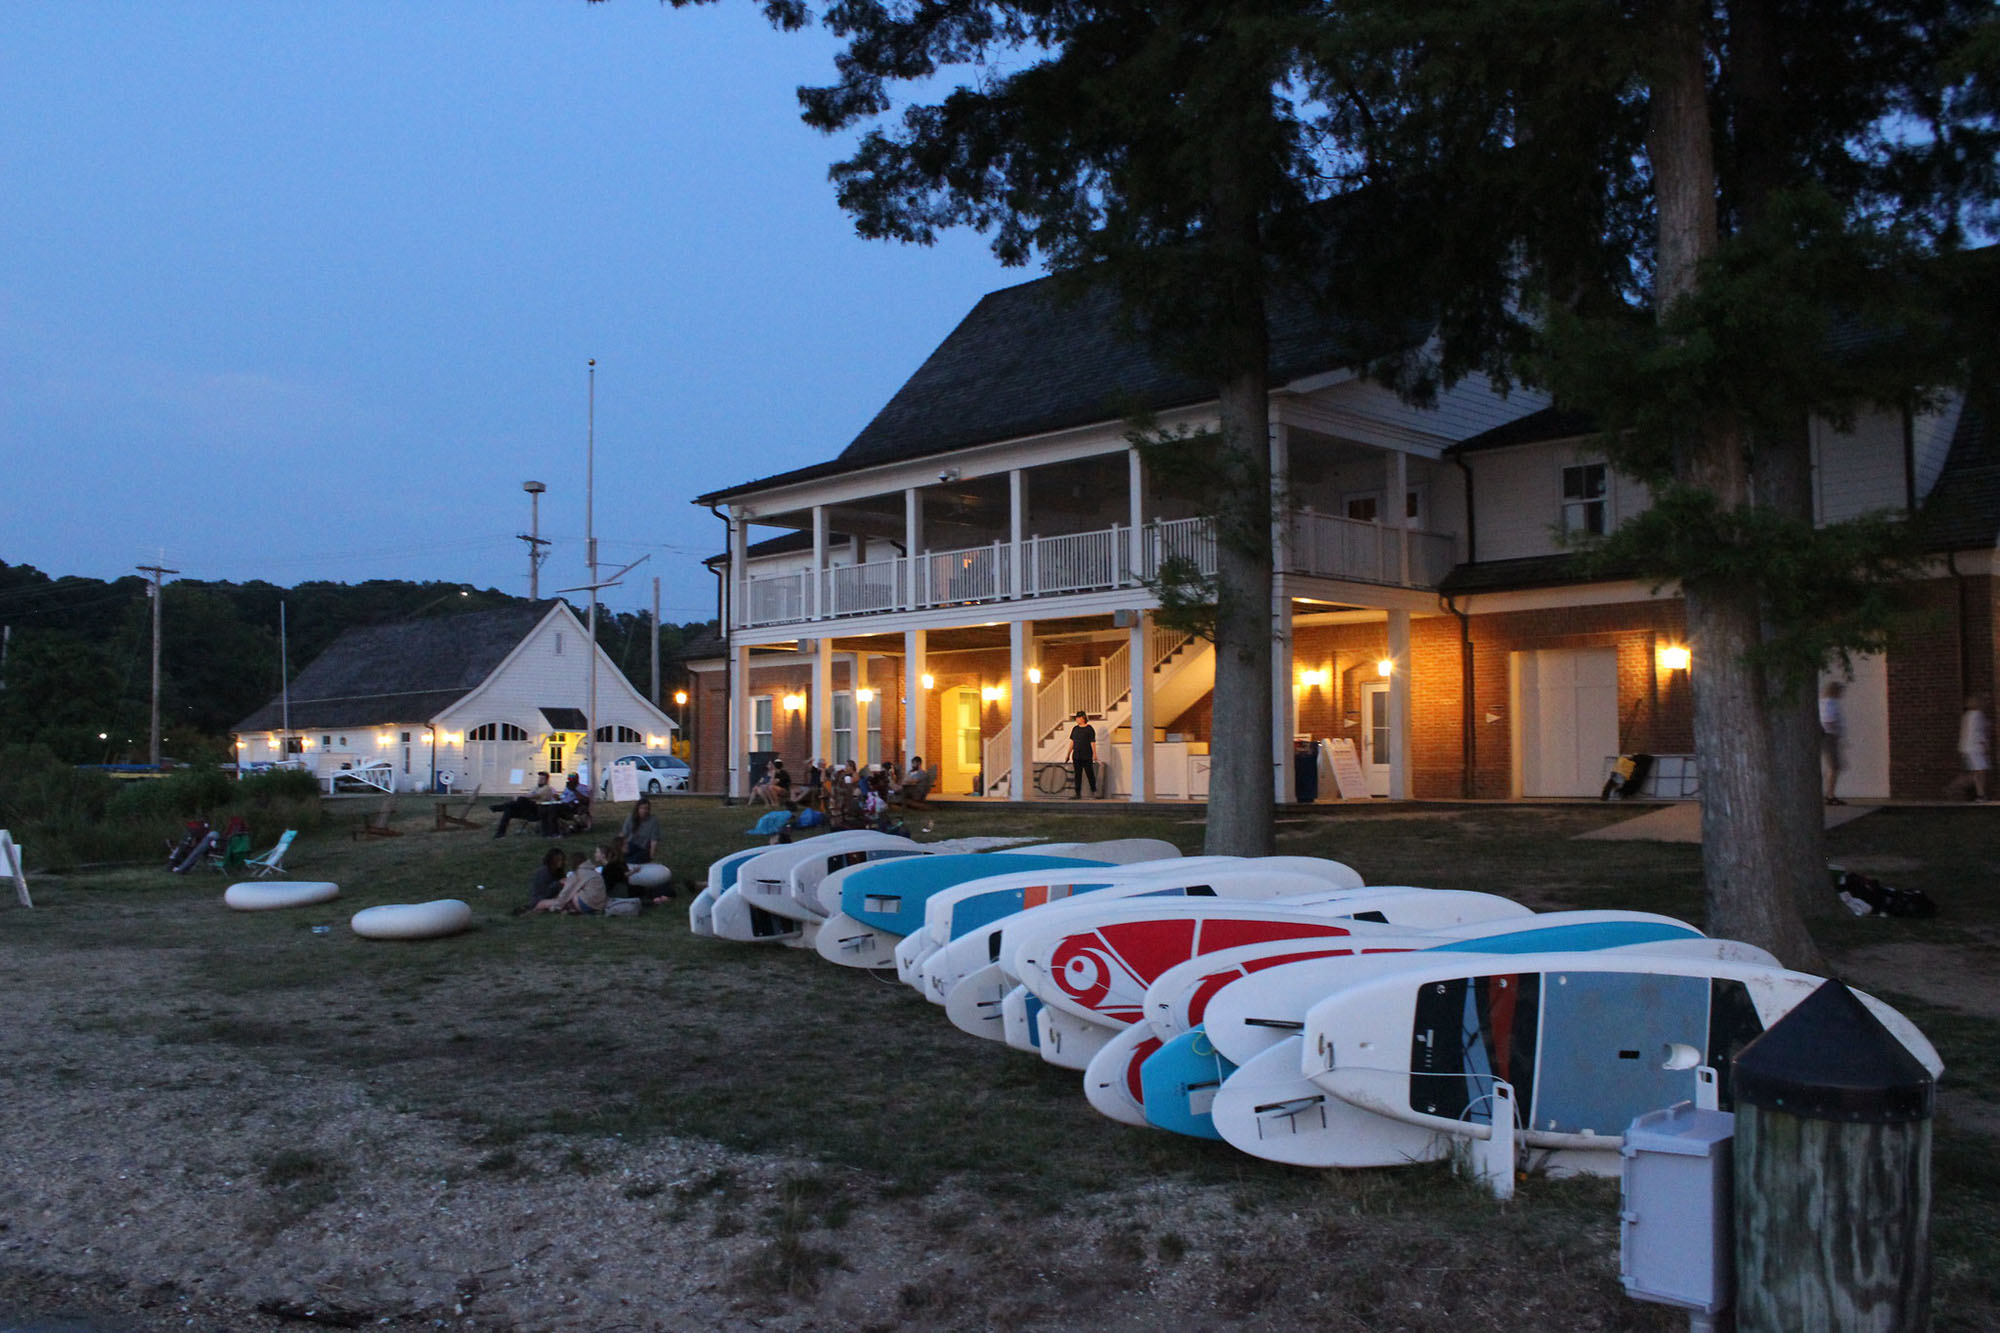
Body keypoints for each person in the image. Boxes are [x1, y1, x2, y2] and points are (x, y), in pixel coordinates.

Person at [1946, 694, 1990, 801]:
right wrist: (1985, 745)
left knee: (1976, 772)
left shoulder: (1967, 715)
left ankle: (1980, 794)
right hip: (1975, 748)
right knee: (1980, 771)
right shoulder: (1977, 715)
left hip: (1967, 747)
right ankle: (1954, 787)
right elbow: (1978, 732)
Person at [511, 847, 569, 915]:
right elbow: (544, 893)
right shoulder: (543, 872)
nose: (561, 862)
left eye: (562, 860)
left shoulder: (559, 871)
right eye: (559, 860)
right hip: (540, 899)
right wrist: (558, 884)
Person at [1819, 681, 1846, 805]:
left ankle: (1830, 794)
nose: (1842, 693)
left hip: (1830, 736)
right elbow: (1828, 720)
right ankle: (1830, 795)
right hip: (1829, 737)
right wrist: (1835, 732)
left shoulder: (1825, 702)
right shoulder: (1829, 703)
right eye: (1840, 690)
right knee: (1834, 767)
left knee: (1834, 767)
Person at [619, 798, 661, 866]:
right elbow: (624, 833)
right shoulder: (631, 818)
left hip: (643, 848)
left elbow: (654, 840)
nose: (644, 811)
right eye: (642, 808)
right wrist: (617, 846)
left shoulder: (653, 821)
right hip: (631, 845)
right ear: (637, 809)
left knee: (634, 859)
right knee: (622, 855)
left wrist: (651, 855)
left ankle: (625, 866)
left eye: (646, 808)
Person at [1069, 710, 1098, 799]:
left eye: (1078, 717)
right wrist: (1068, 754)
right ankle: (1077, 793)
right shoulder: (1075, 729)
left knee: (1090, 773)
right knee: (1078, 774)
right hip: (1077, 755)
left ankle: (1094, 791)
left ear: (1083, 718)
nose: (1077, 719)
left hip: (1087, 754)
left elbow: (1092, 742)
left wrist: (1094, 754)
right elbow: (1072, 742)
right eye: (1076, 718)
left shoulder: (1089, 729)